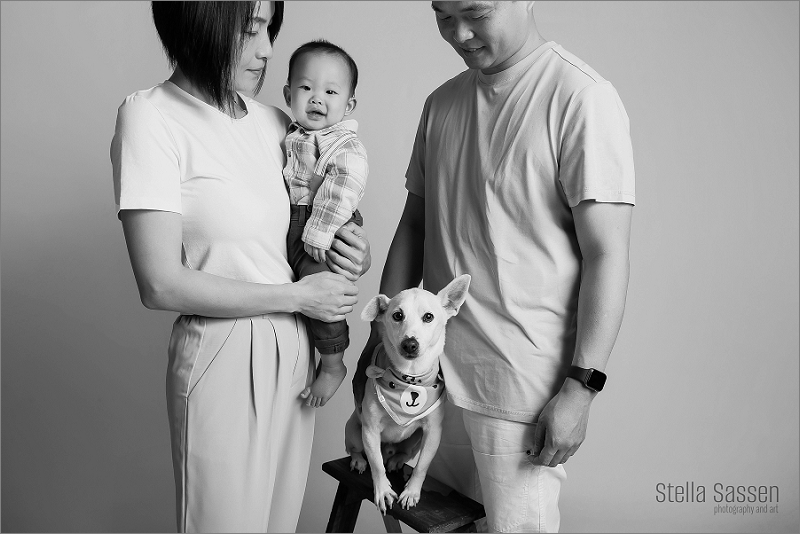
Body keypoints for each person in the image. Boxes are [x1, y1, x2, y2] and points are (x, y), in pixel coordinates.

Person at [353, 1, 634, 532]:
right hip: (424, 381)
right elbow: (414, 225)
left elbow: (608, 253)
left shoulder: (581, 97)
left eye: (475, 12)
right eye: (442, 14)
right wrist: (377, 350)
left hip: (518, 387)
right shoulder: (440, 104)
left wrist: (581, 387)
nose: (458, 33)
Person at [110, 2, 370, 532]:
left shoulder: (279, 123)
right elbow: (159, 283)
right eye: (249, 30)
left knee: (278, 525)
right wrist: (300, 298)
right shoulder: (151, 114)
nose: (268, 49)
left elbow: (303, 233)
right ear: (200, 23)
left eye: (269, 29)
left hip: (299, 349)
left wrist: (350, 250)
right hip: (222, 349)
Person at [282, 40, 369, 408]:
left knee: (324, 296)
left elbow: (343, 187)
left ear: (348, 104)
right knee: (308, 295)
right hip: (298, 222)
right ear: (288, 94)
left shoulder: (342, 143)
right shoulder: (293, 134)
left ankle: (333, 364)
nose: (317, 98)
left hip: (324, 225)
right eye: (306, 88)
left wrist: (319, 231)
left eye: (330, 92)